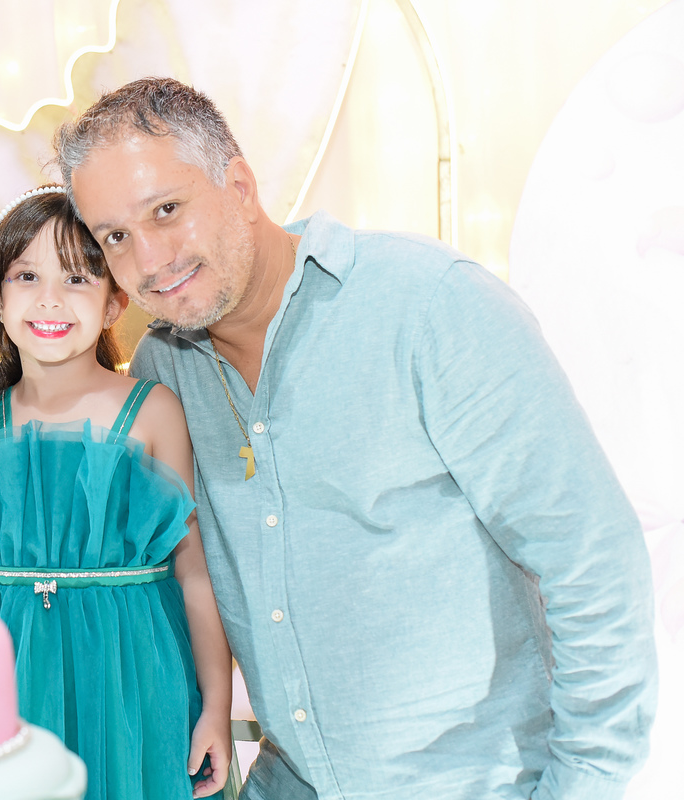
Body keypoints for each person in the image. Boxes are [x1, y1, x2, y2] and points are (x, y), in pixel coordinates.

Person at [54, 77, 658, 800]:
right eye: (115, 236)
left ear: (239, 186)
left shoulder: (430, 304)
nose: (149, 259)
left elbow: (589, 559)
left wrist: (581, 785)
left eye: (167, 210)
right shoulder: (165, 369)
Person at [0, 186, 233, 799]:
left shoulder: (151, 409)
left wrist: (216, 705)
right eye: (26, 276)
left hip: (132, 675)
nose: (50, 299)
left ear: (112, 304)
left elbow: (194, 573)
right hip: (7, 675)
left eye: (76, 278)